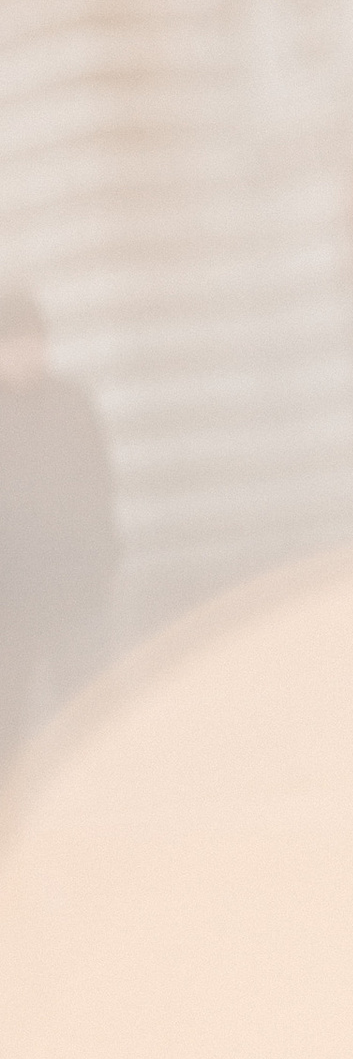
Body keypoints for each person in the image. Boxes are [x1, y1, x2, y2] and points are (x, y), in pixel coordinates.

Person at [0, 288, 117, 775]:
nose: (26, 353)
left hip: (73, 589)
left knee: (89, 710)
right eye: (13, 342)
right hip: (11, 600)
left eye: (33, 340)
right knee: (11, 720)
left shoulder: (72, 403)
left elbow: (99, 488)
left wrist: (101, 564)